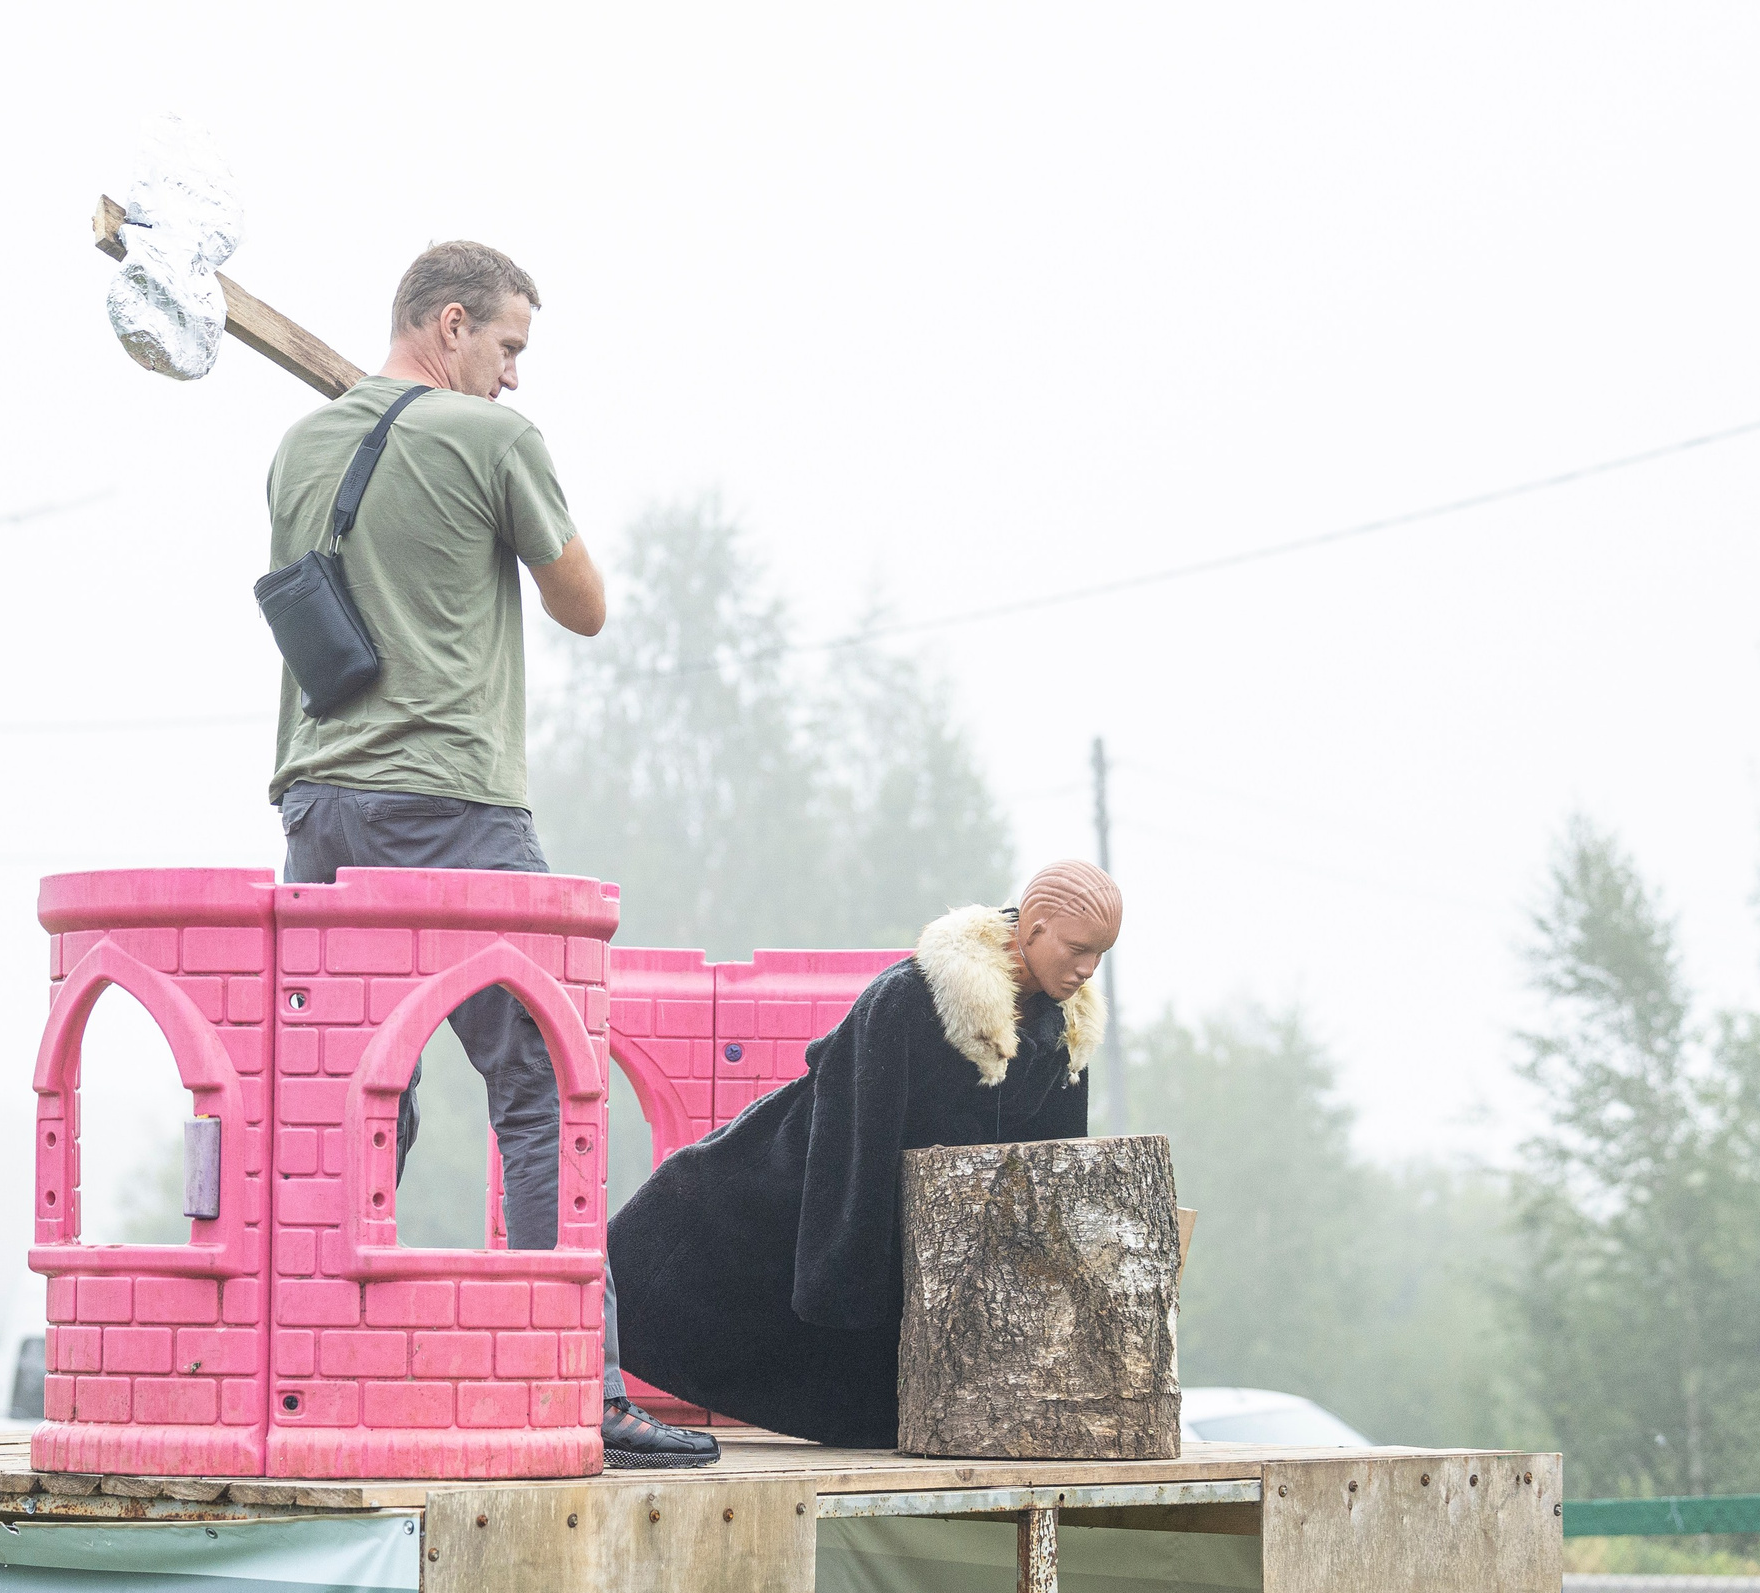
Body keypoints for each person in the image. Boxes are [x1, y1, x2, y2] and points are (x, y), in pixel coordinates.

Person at [265, 240, 717, 1470]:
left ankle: (305, 1372)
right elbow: (584, 604)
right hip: (454, 807)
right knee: (545, 1089)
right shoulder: (496, 444)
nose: (515, 376)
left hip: (316, 811)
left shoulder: (302, 448)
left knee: (349, 1104)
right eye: (509, 347)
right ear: (452, 325)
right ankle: (571, 1389)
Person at [605, 861, 1122, 1448]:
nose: (1088, 970)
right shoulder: (908, 999)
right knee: (647, 1261)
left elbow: (1057, 1174)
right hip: (796, 1188)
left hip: (927, 1249)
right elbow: (853, 1143)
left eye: (1102, 954)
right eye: (1079, 948)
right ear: (1032, 928)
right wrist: (849, 1294)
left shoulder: (1065, 1039)